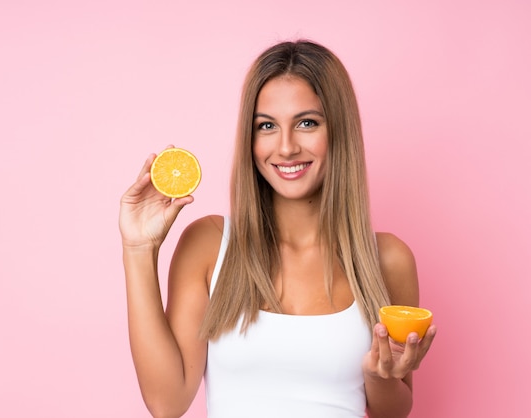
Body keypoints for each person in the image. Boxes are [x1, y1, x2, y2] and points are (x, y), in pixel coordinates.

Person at [119, 39, 437, 418]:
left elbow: (394, 411)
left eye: (307, 123)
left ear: (339, 130)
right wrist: (138, 249)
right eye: (266, 126)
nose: (285, 148)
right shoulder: (209, 246)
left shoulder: (387, 259)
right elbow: (167, 403)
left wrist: (379, 377)